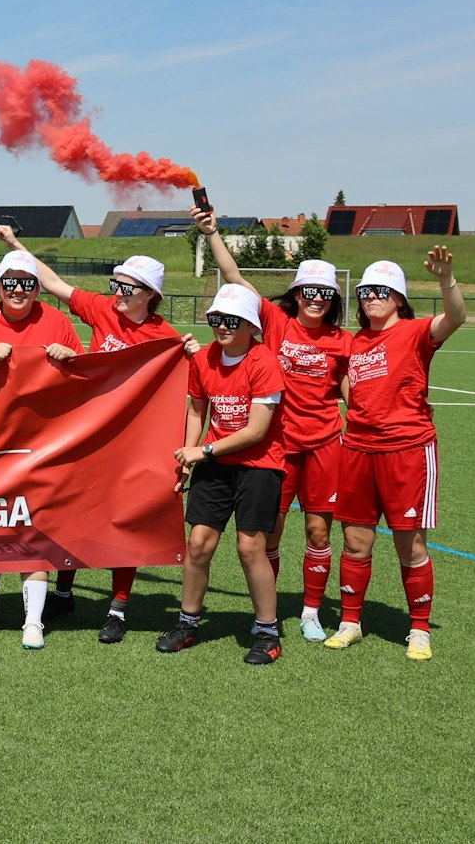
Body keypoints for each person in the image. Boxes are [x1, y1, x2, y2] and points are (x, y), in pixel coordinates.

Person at [0, 224, 176, 643]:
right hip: (86, 430)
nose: (119, 293)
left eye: (128, 288)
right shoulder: (101, 310)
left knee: (125, 522)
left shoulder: (164, 337)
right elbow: (54, 282)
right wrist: (16, 248)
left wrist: (187, 353)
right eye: (117, 285)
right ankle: (63, 591)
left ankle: (117, 609)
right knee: (70, 508)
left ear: (150, 294)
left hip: (131, 441)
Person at [198, 208, 353, 641]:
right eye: (309, 291)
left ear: (333, 297)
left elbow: (353, 391)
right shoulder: (276, 322)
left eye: (324, 292)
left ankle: (309, 611)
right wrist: (212, 234)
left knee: (319, 529)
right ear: (297, 293)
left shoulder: (344, 341)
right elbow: (234, 278)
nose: (316, 299)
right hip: (278, 446)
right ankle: (269, 610)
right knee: (270, 533)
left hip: (325, 443)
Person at [325, 251, 463, 661]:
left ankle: (419, 629)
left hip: (407, 449)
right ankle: (350, 622)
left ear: (398, 298)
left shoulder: (418, 331)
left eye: (381, 292)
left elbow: (455, 318)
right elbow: (347, 383)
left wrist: (447, 279)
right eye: (365, 291)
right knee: (355, 540)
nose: (371, 298)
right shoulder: (354, 341)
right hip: (357, 448)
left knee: (411, 544)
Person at [0, 249, 80, 649]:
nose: (19, 290)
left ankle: (33, 620)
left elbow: (86, 376)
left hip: (41, 441)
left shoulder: (57, 321)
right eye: (10, 283)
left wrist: (71, 356)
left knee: (32, 525)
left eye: (27, 283)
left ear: (38, 289)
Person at [155, 284, 288, 664]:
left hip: (260, 465)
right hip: (215, 463)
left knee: (250, 548)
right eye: (216, 319)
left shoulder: (264, 362)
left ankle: (267, 632)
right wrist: (187, 456)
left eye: (231, 320)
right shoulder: (205, 359)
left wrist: (205, 450)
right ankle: (188, 623)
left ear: (251, 326)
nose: (222, 327)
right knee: (197, 544)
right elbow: (198, 410)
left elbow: (257, 430)